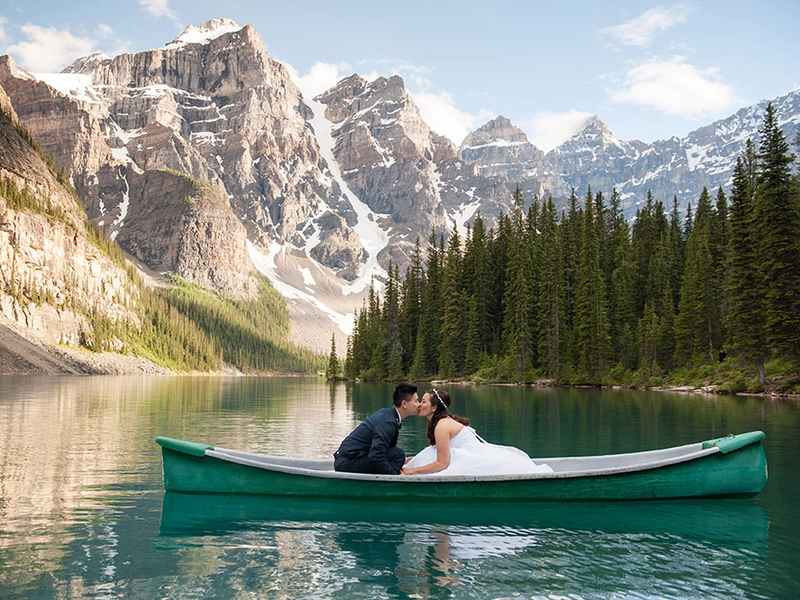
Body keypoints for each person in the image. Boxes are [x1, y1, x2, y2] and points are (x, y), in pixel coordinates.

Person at [401, 388, 552, 476]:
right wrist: (408, 460)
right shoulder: (438, 422)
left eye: (423, 401)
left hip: (472, 458)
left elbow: (442, 463)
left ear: (434, 408)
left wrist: (413, 470)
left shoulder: (441, 425)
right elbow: (437, 452)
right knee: (423, 455)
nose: (420, 405)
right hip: (470, 452)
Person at [334, 383, 420, 474]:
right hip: (347, 463)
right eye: (416, 401)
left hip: (349, 459)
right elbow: (376, 455)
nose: (419, 405)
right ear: (404, 404)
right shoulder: (388, 422)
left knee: (398, 456)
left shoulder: (389, 416)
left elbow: (380, 451)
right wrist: (394, 474)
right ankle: (393, 482)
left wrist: (405, 460)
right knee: (398, 455)